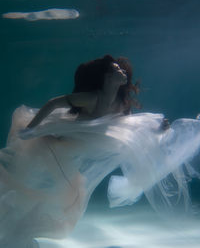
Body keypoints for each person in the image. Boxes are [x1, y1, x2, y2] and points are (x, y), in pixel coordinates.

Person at [1, 55, 200, 247]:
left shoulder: (122, 103)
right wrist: (32, 128)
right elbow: (54, 103)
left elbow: (129, 127)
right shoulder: (91, 98)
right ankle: (17, 230)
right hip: (56, 145)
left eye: (120, 69)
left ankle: (23, 230)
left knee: (62, 196)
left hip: (82, 148)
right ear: (105, 77)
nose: (122, 71)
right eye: (115, 69)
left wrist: (158, 130)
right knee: (39, 190)